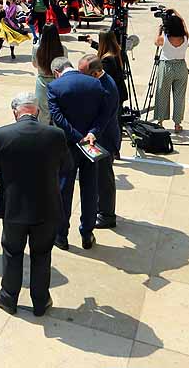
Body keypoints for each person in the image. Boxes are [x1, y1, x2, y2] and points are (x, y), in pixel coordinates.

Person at [0, 92, 70, 317]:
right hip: (46, 207)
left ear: (15, 113)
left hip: (14, 207)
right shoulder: (56, 134)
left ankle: (9, 296)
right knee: (42, 254)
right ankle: (40, 301)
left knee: (13, 252)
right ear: (38, 111)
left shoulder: (1, 134)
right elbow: (67, 166)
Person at [47, 55, 116, 251]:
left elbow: (58, 118)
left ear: (56, 72)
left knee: (64, 189)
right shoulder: (95, 84)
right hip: (90, 144)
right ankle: (87, 233)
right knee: (90, 189)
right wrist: (92, 133)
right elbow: (106, 113)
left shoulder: (55, 87)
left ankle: (61, 235)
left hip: (68, 145)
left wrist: (77, 136)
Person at [94, 31, 127, 229]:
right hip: (118, 102)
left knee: (104, 175)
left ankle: (106, 214)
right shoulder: (116, 53)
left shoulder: (106, 61)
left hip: (108, 126)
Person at [154, 11, 189, 132]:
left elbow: (156, 42)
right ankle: (177, 123)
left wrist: (160, 30)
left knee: (162, 94)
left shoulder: (164, 38)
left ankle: (160, 121)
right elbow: (184, 24)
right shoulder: (185, 36)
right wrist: (175, 12)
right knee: (179, 96)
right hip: (181, 66)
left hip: (166, 66)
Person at [32, 24, 64, 124]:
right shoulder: (62, 48)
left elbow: (34, 64)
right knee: (57, 109)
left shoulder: (36, 48)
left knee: (42, 111)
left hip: (42, 80)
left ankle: (44, 133)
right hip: (58, 81)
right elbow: (64, 66)